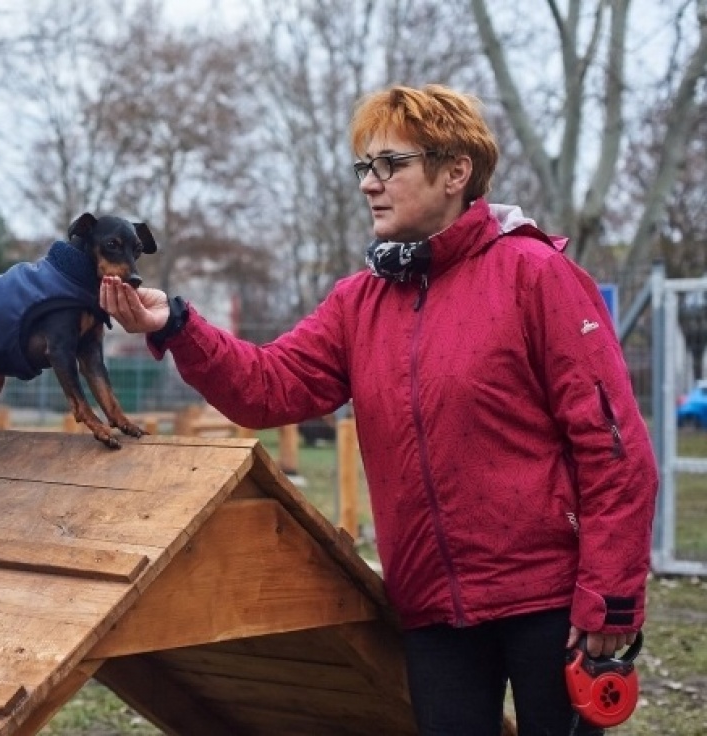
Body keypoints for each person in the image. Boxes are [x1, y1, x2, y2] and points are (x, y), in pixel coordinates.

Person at [100, 84, 657, 736]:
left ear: (456, 173)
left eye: (391, 164)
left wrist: (609, 602)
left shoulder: (535, 274)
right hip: (432, 612)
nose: (371, 183)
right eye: (365, 167)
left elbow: (614, 445)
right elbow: (269, 388)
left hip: (550, 602)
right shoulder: (359, 302)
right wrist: (177, 324)